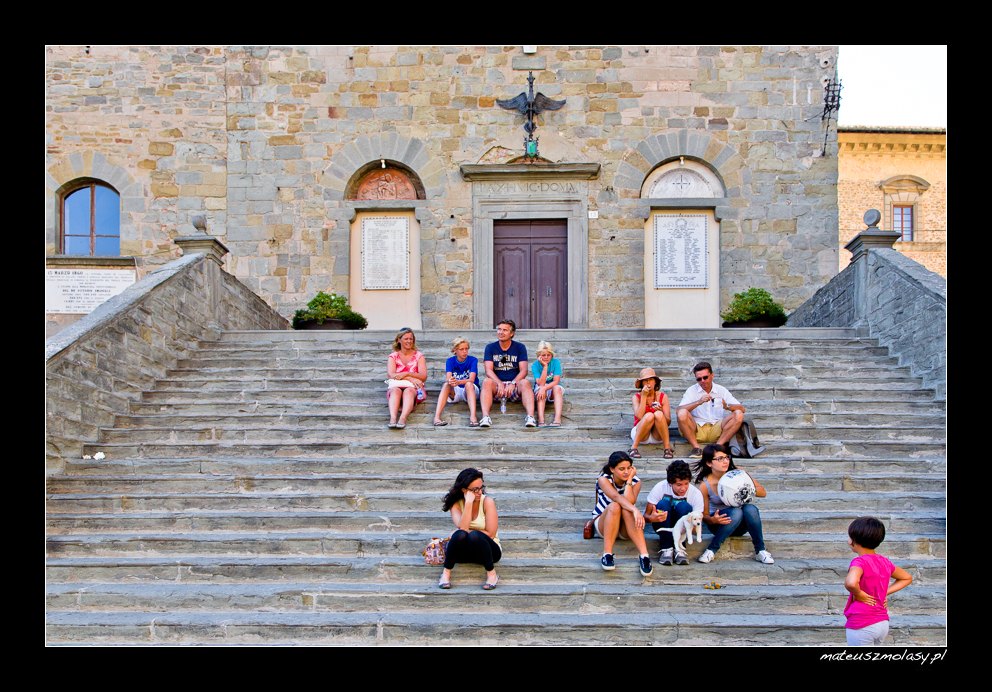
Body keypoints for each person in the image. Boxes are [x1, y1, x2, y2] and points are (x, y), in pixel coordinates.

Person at [692, 444, 774, 564]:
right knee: (736, 512)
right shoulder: (705, 485)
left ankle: (760, 551)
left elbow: (763, 492)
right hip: (720, 524)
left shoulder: (738, 474)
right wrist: (713, 520)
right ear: (709, 463)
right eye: (720, 459)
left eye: (726, 457)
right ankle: (711, 550)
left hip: (740, 525)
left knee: (750, 509)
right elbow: (704, 515)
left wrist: (747, 489)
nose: (725, 461)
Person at [843, 516, 913, 646]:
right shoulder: (884, 561)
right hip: (882, 623)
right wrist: (883, 593)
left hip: (862, 622)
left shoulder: (859, 562)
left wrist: (859, 594)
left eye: (849, 537)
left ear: (854, 541)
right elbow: (907, 577)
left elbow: (851, 583)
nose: (848, 541)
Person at [591, 450, 653, 576]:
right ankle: (607, 554)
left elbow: (629, 500)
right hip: (604, 522)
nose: (626, 472)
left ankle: (644, 556)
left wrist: (629, 480)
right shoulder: (604, 479)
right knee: (615, 506)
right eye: (621, 469)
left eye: (629, 468)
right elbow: (616, 497)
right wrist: (635, 510)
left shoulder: (636, 481)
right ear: (612, 469)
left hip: (626, 525)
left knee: (626, 508)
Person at [438, 468, 501, 590]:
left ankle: (492, 574)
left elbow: (491, 534)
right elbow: (463, 529)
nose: (479, 492)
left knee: (473, 535)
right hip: (464, 553)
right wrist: (468, 503)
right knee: (460, 534)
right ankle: (445, 574)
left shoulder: (487, 502)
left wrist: (468, 531)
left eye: (481, 487)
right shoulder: (456, 504)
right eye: (475, 489)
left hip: (489, 552)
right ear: (464, 490)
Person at [677, 361, 745, 458]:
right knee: (682, 413)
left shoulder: (721, 390)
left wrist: (727, 407)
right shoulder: (692, 390)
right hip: (696, 429)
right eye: (699, 379)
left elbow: (742, 408)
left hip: (717, 428)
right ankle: (696, 448)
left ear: (712, 375)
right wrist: (698, 402)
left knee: (738, 414)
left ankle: (717, 447)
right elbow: (678, 410)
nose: (702, 381)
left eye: (705, 377)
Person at [644, 460, 704, 566]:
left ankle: (680, 549)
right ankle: (666, 548)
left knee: (684, 506)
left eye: (686, 484)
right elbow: (646, 516)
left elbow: (697, 526)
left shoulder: (695, 494)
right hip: (662, 524)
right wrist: (652, 518)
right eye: (679, 484)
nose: (683, 488)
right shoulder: (660, 487)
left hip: (683, 528)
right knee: (663, 504)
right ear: (670, 483)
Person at [479, 319, 536, 428]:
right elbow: (488, 370)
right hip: (497, 388)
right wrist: (499, 383)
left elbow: (524, 370)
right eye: (499, 329)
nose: (501, 332)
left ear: (512, 333)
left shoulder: (520, 347)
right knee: (486, 381)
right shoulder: (490, 348)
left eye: (505, 330)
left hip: (514, 388)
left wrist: (513, 383)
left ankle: (530, 417)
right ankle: (485, 417)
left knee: (525, 382)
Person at [386, 327, 427, 429]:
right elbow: (391, 374)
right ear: (399, 340)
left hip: (414, 388)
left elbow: (423, 376)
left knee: (408, 391)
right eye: (406, 339)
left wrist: (405, 374)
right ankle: (393, 418)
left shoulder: (419, 356)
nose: (409, 341)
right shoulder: (393, 356)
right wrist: (411, 378)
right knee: (395, 391)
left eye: (411, 339)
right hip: (397, 386)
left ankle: (403, 418)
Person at [433, 337, 479, 427]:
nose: (465, 351)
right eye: (461, 349)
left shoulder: (473, 360)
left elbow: (471, 380)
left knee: (469, 384)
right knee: (446, 384)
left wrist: (458, 382)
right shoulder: (450, 361)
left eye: (466, 349)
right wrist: (451, 381)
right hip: (456, 391)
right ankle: (436, 417)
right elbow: (448, 378)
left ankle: (473, 417)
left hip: (470, 390)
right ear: (455, 350)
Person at [629, 367, 673, 459]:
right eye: (645, 381)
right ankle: (634, 448)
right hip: (641, 434)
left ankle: (667, 448)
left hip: (657, 434)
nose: (648, 383)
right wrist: (644, 396)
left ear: (655, 381)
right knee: (649, 416)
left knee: (658, 414)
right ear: (641, 383)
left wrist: (660, 411)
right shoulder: (636, 397)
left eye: (651, 380)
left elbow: (668, 422)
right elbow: (639, 416)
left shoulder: (663, 396)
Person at [530, 340, 564, 427]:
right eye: (543, 355)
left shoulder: (556, 362)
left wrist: (544, 388)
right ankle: (541, 420)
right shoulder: (535, 365)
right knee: (541, 389)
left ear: (552, 355)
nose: (546, 357)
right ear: (539, 356)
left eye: (548, 355)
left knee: (557, 388)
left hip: (552, 389)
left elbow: (556, 380)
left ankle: (557, 419)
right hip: (541, 389)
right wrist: (545, 367)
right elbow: (540, 383)